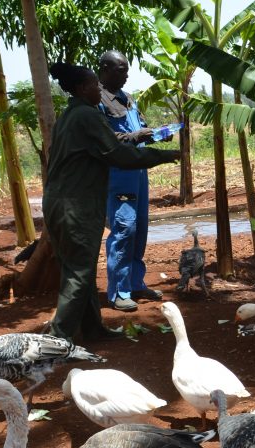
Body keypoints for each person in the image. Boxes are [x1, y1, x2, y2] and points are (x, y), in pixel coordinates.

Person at [44, 62, 180, 342]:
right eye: (94, 85)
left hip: (57, 203)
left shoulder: (70, 114)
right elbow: (119, 155)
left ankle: (93, 329)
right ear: (83, 89)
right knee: (79, 273)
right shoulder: (87, 116)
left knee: (79, 269)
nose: (98, 89)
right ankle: (58, 340)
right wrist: (166, 155)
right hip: (76, 206)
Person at [98, 50, 163, 312]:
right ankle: (118, 292)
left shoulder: (128, 99)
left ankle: (136, 283)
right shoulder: (98, 99)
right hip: (118, 175)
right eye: (120, 69)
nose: (126, 74)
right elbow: (106, 138)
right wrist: (136, 136)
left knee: (140, 229)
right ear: (104, 68)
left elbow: (138, 131)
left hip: (138, 172)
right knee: (124, 228)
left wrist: (156, 134)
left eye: (126, 69)